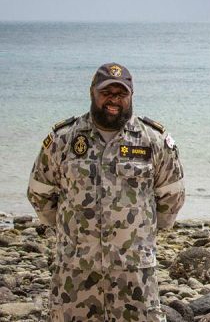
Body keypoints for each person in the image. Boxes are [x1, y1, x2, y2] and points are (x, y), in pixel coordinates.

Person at [27, 62, 185, 322]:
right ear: (92, 92)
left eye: (121, 94)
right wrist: (65, 228)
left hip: (134, 271)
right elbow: (39, 190)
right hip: (76, 270)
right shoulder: (63, 139)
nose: (114, 100)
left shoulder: (152, 140)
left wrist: (143, 233)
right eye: (107, 93)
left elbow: (172, 195)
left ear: (131, 96)